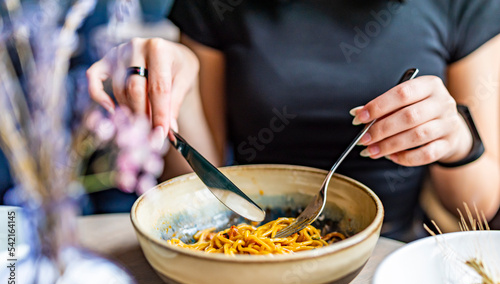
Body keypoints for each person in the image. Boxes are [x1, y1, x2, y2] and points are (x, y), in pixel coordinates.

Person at [87, 0, 500, 241]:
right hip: (245, 242)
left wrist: (457, 141)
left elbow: (478, 206)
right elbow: (198, 184)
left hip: (390, 252)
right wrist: (175, 86)